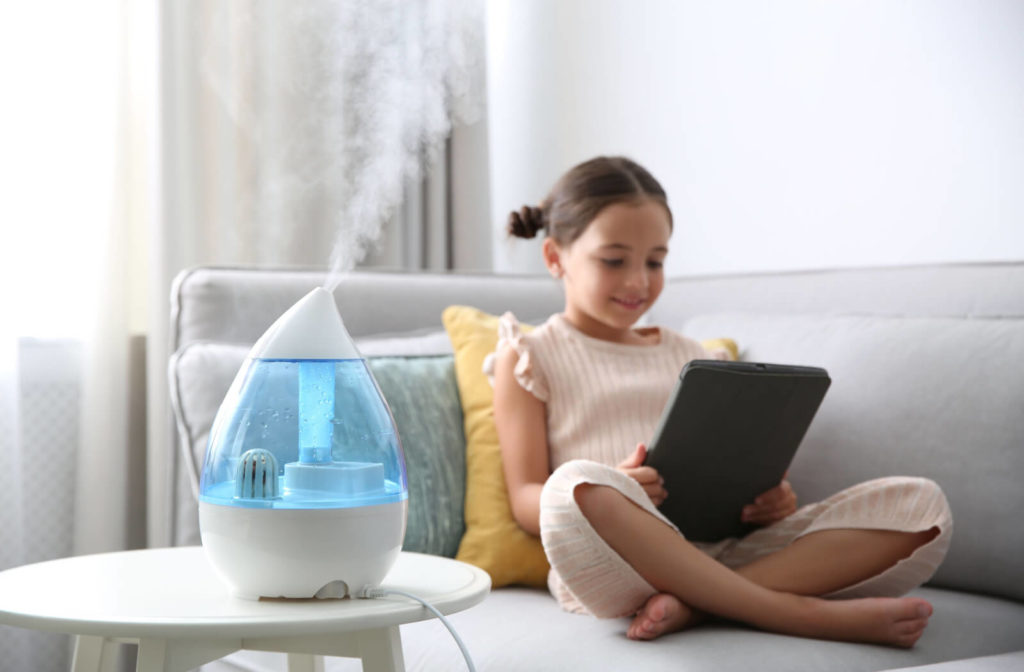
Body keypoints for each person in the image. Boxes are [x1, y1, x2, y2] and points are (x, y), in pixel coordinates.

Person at [486, 155, 952, 647]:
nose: (639, 282)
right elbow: (525, 500)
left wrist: (770, 502)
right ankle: (796, 613)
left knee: (923, 506)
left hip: (726, 551)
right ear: (556, 257)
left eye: (655, 261)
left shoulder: (694, 356)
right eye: (614, 260)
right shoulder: (528, 355)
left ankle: (696, 605)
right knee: (573, 486)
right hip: (617, 561)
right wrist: (617, 486)